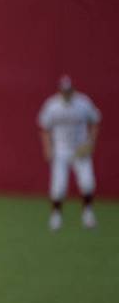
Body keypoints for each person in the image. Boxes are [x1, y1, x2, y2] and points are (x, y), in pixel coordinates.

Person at [37, 74, 100, 231]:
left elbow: (95, 121)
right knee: (58, 186)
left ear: (73, 89)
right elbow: (44, 127)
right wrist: (47, 147)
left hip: (80, 149)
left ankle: (88, 213)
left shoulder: (83, 103)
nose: (66, 93)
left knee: (87, 182)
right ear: (60, 90)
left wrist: (91, 142)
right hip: (61, 149)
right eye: (63, 90)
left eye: (69, 90)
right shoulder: (52, 105)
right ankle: (56, 216)